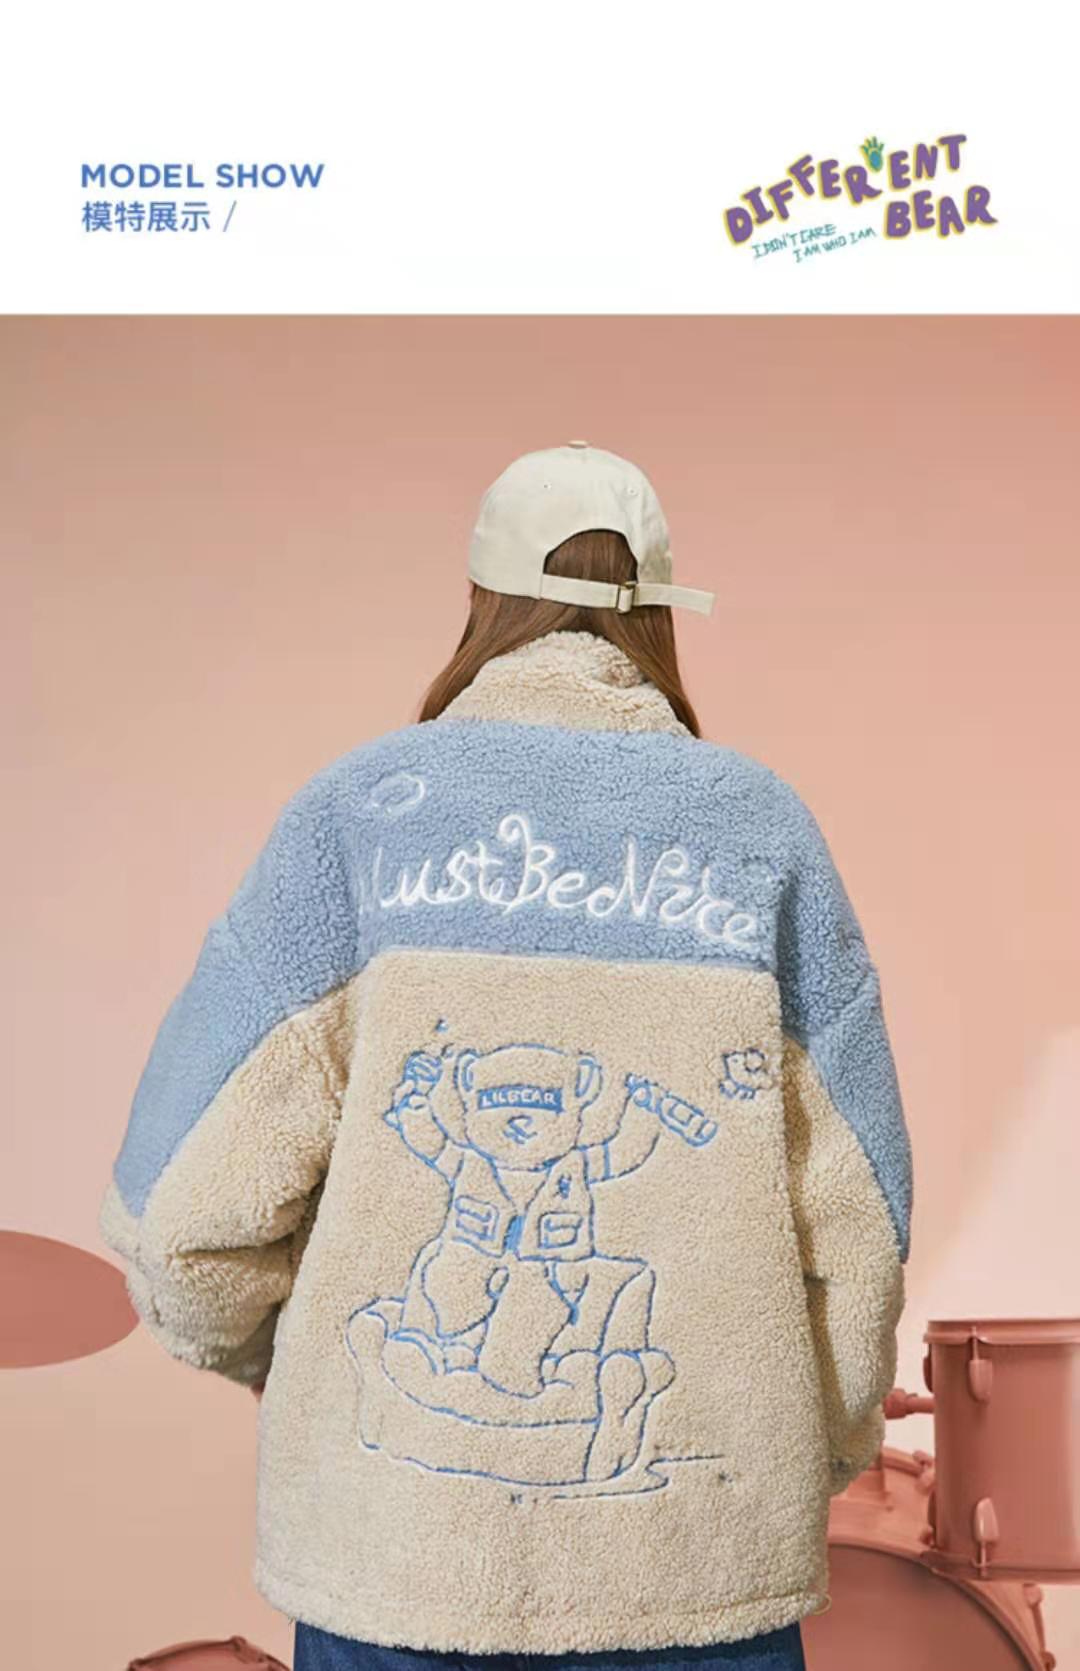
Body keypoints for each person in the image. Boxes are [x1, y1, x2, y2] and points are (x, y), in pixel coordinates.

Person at [100, 442, 912, 1671]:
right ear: (657, 615)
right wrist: (821, 1442)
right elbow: (860, 1222)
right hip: (695, 1570)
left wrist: (282, 1357)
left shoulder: (361, 815)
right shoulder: (758, 831)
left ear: (480, 597)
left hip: (398, 1568)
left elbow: (182, 1207)